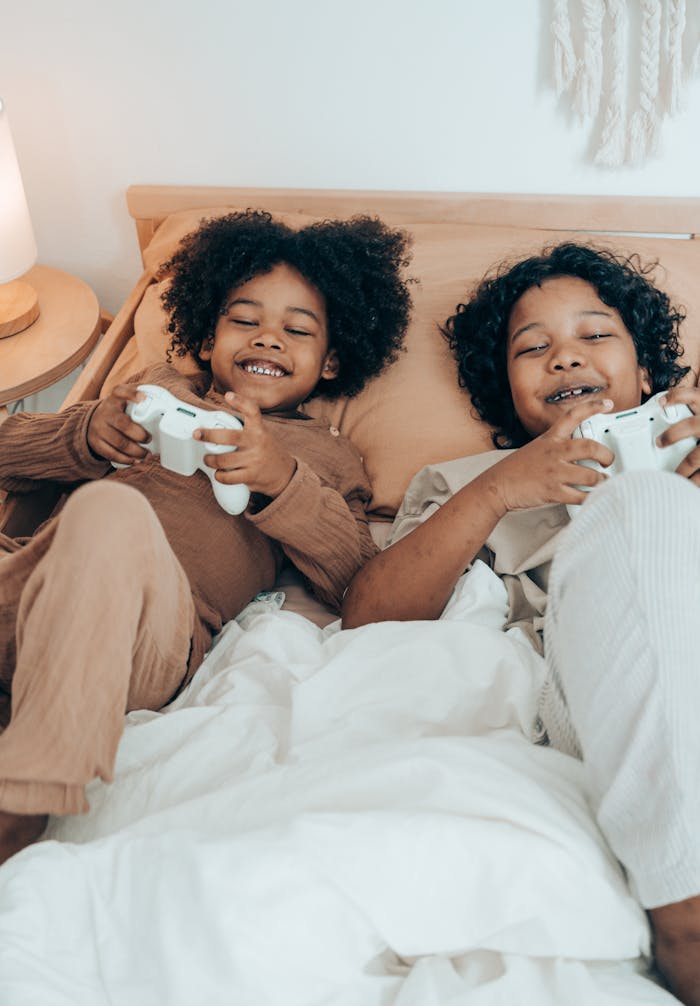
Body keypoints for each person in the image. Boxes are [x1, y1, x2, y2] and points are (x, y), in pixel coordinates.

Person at [342, 242, 700, 1004]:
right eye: (532, 348)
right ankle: (686, 910)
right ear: (507, 389)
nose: (564, 357)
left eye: (595, 335)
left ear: (645, 373)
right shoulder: (469, 484)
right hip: (600, 698)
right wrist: (501, 490)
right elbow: (369, 619)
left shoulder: (689, 446)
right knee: (637, 508)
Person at [0, 209, 412, 865]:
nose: (269, 338)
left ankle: (23, 801)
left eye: (297, 330)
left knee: (110, 512)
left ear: (332, 361)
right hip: (30, 590)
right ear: (207, 339)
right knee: (93, 509)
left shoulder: (327, 459)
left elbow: (353, 579)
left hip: (146, 635)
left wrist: (280, 480)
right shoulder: (151, 388)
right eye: (245, 320)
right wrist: (83, 435)